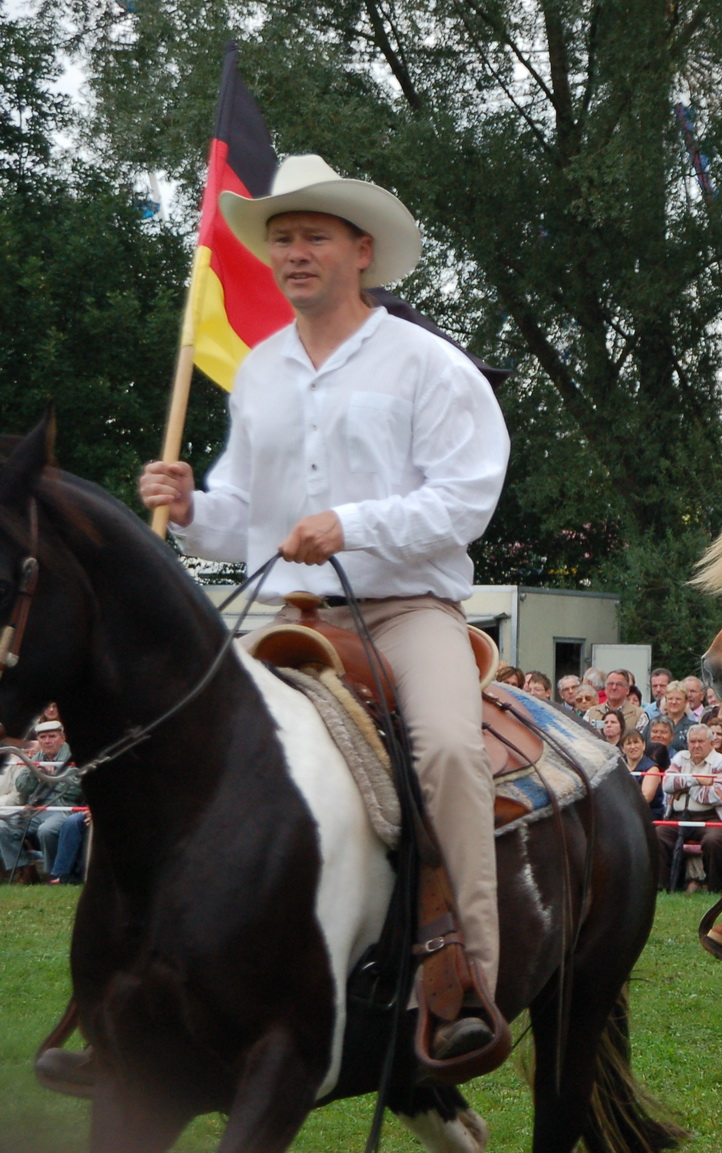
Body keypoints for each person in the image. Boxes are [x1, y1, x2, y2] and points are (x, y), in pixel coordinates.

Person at [137, 154, 510, 1060]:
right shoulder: (260, 372)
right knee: (160, 735)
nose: (294, 253)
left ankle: (466, 977)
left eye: (313, 237)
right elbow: (250, 524)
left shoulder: (429, 364)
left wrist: (350, 523)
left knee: (453, 753)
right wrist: (193, 508)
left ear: (361, 251)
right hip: (283, 605)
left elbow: (468, 497)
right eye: (282, 240)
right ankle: (139, 968)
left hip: (402, 609)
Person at [656, 724, 722, 892]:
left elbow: (720, 795)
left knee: (713, 840)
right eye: (692, 741)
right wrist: (698, 780)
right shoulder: (680, 758)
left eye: (701, 741)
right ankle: (662, 886)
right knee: (658, 835)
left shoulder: (721, 761)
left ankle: (714, 887)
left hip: (712, 817)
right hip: (678, 816)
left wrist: (685, 787)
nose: (696, 745)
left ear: (711, 743)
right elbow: (667, 784)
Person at [0, 722, 77, 880]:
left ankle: (53, 874)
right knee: (2, 826)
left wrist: (53, 777)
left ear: (62, 738)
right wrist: (34, 774)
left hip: (62, 808)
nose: (47, 741)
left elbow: (77, 790)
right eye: (43, 737)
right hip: (36, 809)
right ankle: (24, 868)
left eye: (52, 736)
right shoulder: (38, 756)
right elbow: (22, 786)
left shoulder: (73, 756)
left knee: (46, 830)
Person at [621, 729, 666, 823]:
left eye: (636, 742)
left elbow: (646, 798)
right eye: (628, 744)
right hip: (624, 815)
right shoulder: (618, 767)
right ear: (622, 749)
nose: (633, 747)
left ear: (644, 745)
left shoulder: (652, 768)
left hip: (648, 817)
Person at [585, 669, 647, 733]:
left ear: (627, 690)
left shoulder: (639, 715)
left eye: (619, 684)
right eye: (610, 684)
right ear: (605, 688)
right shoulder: (591, 713)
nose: (614, 687)